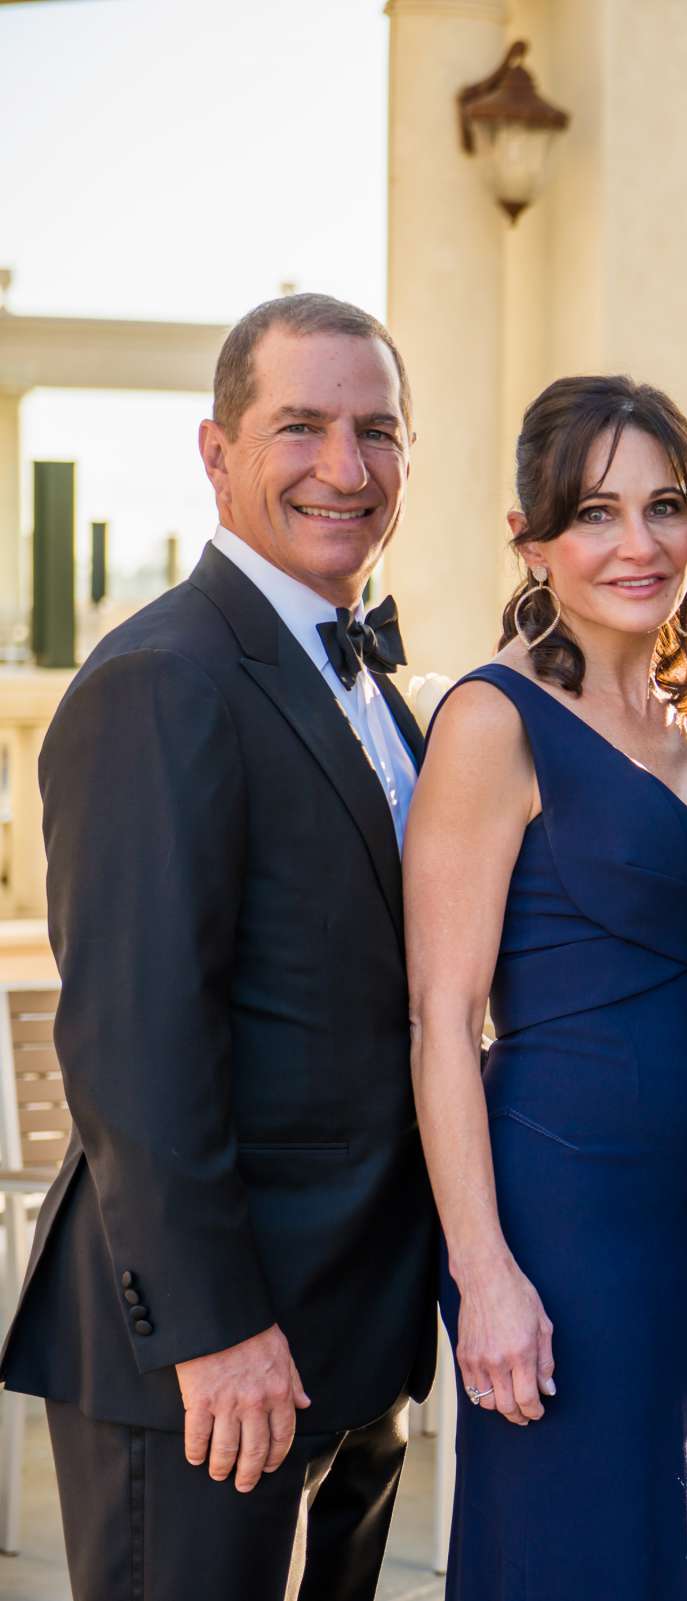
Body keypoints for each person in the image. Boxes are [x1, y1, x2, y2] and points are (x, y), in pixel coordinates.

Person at [0, 294, 436, 1598]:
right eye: (299, 427)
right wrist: (217, 1329)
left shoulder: (382, 696)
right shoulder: (160, 680)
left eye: (378, 431)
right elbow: (134, 1044)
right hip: (210, 1362)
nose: (344, 468)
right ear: (215, 451)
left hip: (358, 1341)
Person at [406, 375, 687, 1595]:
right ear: (530, 538)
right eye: (596, 513)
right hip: (557, 1224)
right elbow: (440, 1022)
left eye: (667, 505)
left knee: (658, 1551)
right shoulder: (494, 720)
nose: (638, 544)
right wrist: (485, 1271)